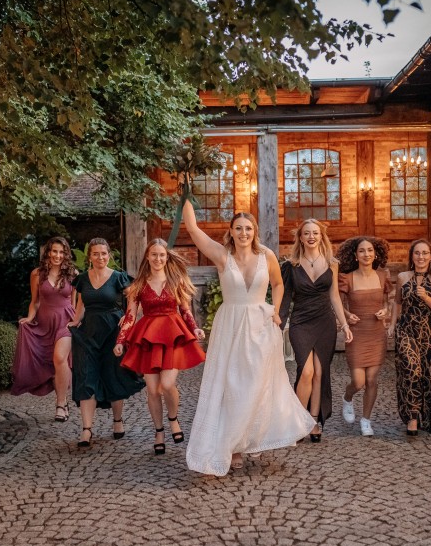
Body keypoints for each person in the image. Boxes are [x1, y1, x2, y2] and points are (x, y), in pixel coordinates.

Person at [181, 200, 316, 475]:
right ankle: (234, 447)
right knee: (232, 384)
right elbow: (193, 229)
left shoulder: (266, 255)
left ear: (255, 232)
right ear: (231, 231)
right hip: (230, 326)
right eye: (239, 228)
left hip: (260, 326)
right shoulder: (222, 255)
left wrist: (276, 311)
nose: (244, 233)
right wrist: (185, 191)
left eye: (248, 229)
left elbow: (278, 284)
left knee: (255, 384)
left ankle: (251, 436)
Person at [113, 238, 206, 455]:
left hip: (172, 335)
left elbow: (185, 310)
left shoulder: (176, 280)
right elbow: (130, 315)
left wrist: (194, 329)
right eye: (154, 254)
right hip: (148, 338)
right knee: (153, 390)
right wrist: (120, 340)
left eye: (162, 255)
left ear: (167, 257)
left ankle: (173, 419)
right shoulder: (138, 285)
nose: (158, 259)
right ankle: (159, 432)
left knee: (167, 384)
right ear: (148, 256)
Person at [279, 219, 353, 442]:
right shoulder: (290, 265)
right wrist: (277, 326)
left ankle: (313, 422)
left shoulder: (332, 263)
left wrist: (345, 324)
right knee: (307, 371)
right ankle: (297, 422)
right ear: (300, 238)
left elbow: (334, 297)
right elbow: (285, 299)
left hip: (325, 322)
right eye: (307, 233)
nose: (311, 237)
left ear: (322, 236)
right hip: (301, 322)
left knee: (320, 373)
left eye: (315, 233)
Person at [69, 238, 145, 448]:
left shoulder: (119, 277)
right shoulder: (83, 279)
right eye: (96, 254)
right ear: (90, 256)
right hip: (88, 333)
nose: (100, 257)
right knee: (86, 377)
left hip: (113, 330)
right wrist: (75, 321)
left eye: (103, 253)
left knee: (113, 375)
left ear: (109, 255)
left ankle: (117, 420)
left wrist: (128, 316)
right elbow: (82, 304)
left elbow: (135, 299)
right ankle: (86, 430)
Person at [11, 236, 78, 422]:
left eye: (61, 252)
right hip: (44, 323)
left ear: (66, 254)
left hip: (65, 322)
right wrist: (30, 317)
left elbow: (74, 302)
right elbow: (35, 301)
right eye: (54, 251)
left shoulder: (73, 274)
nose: (57, 255)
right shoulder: (37, 274)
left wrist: (76, 321)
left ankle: (60, 404)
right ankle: (63, 402)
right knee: (53, 363)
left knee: (60, 358)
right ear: (48, 252)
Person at [392, 239, 431, 436]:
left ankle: (428, 417)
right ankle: (412, 417)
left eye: (425, 253)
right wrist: (392, 325)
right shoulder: (403, 277)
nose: (421, 257)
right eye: (417, 253)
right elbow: (397, 302)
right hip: (406, 330)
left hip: (430, 333)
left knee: (430, 375)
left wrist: (426, 297)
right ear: (412, 256)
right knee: (411, 370)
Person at [335, 236, 393, 437]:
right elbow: (337, 303)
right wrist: (347, 315)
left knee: (371, 380)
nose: (366, 254)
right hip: (356, 334)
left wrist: (385, 311)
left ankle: (366, 420)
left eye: (370, 250)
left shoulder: (382, 276)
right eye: (362, 251)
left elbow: (387, 303)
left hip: (376, 334)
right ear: (355, 255)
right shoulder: (347, 278)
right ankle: (347, 397)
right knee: (358, 382)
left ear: (375, 254)